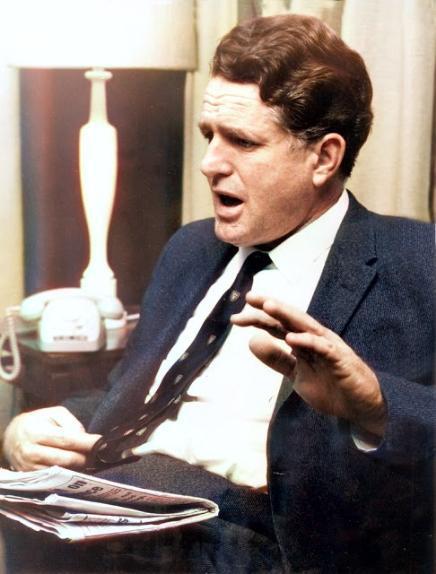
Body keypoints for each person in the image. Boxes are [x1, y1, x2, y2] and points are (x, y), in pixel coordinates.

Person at [2, 13, 434, 574]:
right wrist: (37, 427)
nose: (210, 164)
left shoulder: (416, 261)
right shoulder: (190, 249)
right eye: (210, 136)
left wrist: (374, 403)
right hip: (125, 507)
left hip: (258, 538)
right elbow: (136, 399)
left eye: (243, 141)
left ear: (324, 158)